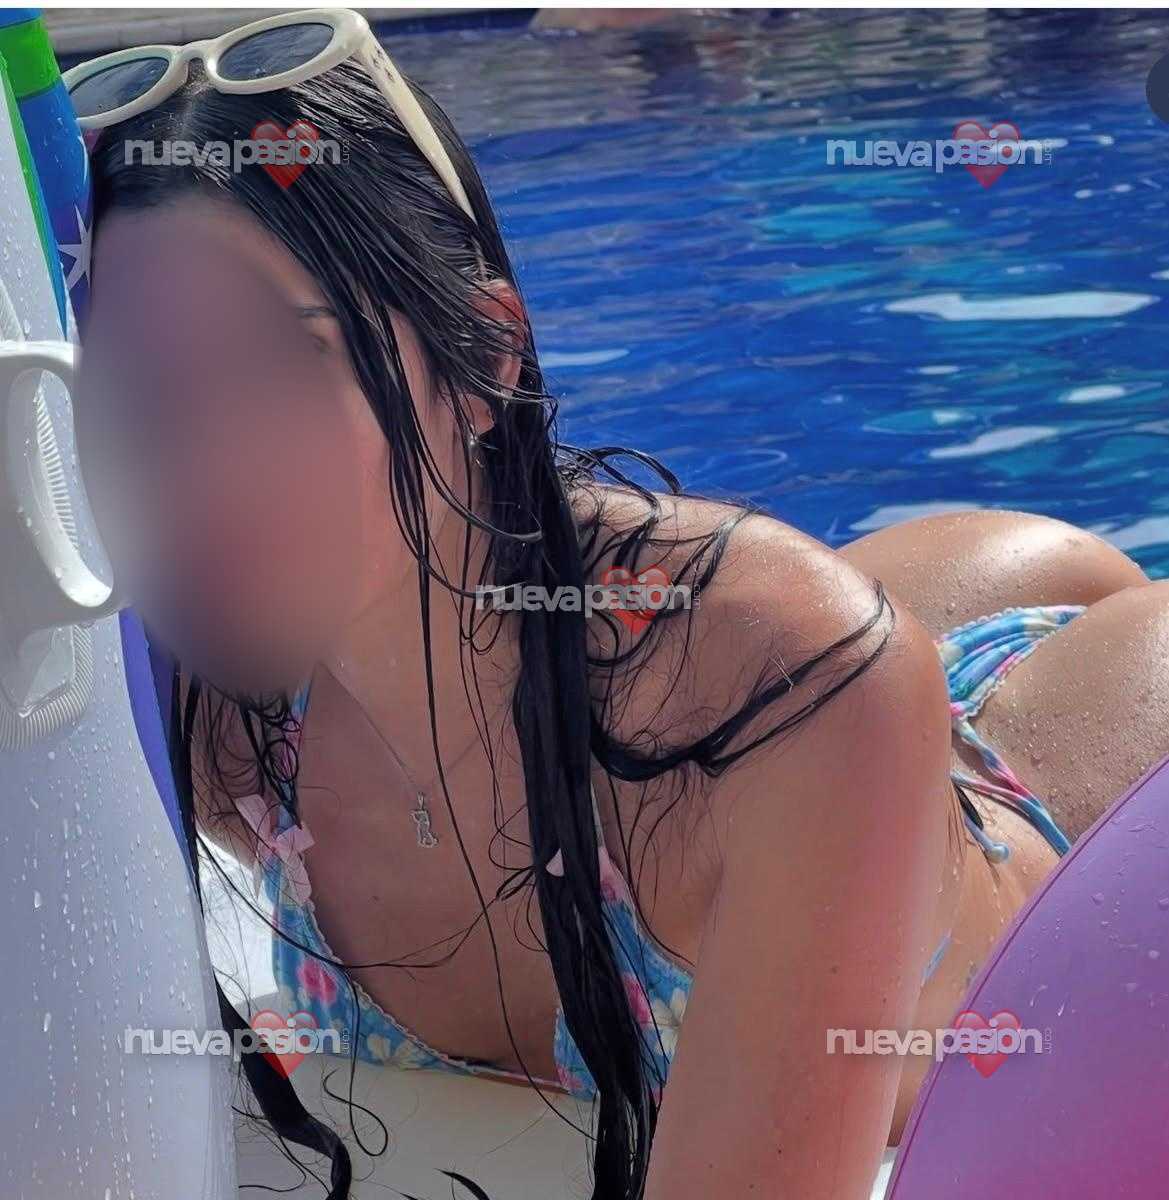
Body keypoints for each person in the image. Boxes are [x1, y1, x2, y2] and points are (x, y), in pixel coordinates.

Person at [72, 11, 1169, 1199]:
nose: (201, 473)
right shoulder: (213, 709)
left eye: (277, 364)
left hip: (1038, 824)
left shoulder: (769, 685)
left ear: (484, 356)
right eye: (133, 399)